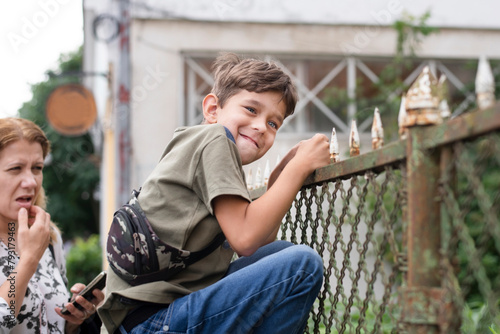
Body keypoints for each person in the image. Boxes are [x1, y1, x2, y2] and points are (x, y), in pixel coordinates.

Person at [99, 52, 331, 334]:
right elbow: (245, 240)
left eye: (273, 123)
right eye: (251, 109)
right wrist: (301, 167)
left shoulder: (204, 147)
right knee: (302, 265)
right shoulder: (215, 140)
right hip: (152, 322)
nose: (260, 126)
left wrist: (281, 176)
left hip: (153, 318)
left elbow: (258, 242)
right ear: (212, 109)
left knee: (281, 252)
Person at [0, 117, 104, 333]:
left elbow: (51, 324)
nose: (31, 182)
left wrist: (74, 319)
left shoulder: (48, 235)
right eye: (16, 168)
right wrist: (28, 259)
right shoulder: (38, 242)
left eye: (37, 168)